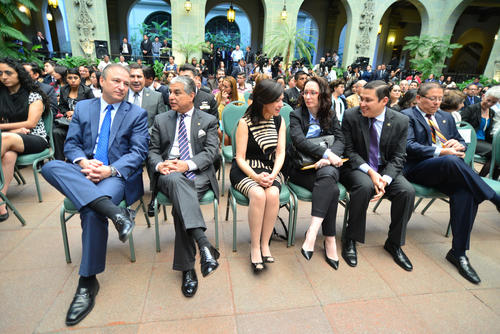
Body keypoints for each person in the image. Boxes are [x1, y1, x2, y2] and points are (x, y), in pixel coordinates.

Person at [41, 64, 149, 325]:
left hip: (114, 176)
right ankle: (117, 214)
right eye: (116, 81)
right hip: (84, 171)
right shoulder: (84, 108)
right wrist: (82, 162)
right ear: (101, 81)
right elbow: (71, 144)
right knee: (51, 166)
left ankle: (87, 282)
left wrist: (109, 170)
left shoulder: (137, 114)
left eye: (126, 82)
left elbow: (138, 153)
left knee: (91, 211)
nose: (123, 86)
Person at [402, 82, 500, 284]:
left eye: (440, 99)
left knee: (466, 192)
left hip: (446, 170)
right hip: (417, 169)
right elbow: (409, 146)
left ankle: (459, 253)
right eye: (432, 99)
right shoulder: (406, 116)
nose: (437, 103)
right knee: (450, 159)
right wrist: (440, 151)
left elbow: (459, 140)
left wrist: (459, 144)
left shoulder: (445, 117)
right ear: (419, 98)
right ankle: (495, 197)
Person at [148, 75, 220, 297]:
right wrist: (160, 166)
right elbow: (151, 151)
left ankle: (188, 268)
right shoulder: (161, 120)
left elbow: (210, 153)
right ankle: (204, 246)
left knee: (182, 201)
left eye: (177, 92)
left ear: (192, 95)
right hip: (168, 173)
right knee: (179, 185)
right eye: (170, 92)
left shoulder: (207, 120)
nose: (171, 96)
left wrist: (187, 164)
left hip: (197, 174)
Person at [340, 80, 415, 271]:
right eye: (361, 98)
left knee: (406, 191)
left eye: (368, 100)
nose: (362, 104)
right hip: (357, 167)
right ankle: (351, 239)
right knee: (364, 186)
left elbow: (399, 156)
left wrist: (386, 179)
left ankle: (394, 243)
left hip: (385, 169)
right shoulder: (351, 116)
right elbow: (349, 150)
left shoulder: (400, 121)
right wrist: (372, 173)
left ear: (384, 101)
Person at [288, 77, 345, 270]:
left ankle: (314, 233)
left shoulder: (329, 113)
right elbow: (298, 141)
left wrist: (328, 159)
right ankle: (329, 239)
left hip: (326, 167)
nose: (308, 96)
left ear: (323, 95)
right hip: (302, 168)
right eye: (305, 92)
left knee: (328, 176)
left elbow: (340, 138)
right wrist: (326, 154)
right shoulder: (296, 115)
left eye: (313, 92)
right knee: (333, 190)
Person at [230, 79, 286, 273]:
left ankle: (265, 244)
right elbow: (240, 158)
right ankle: (254, 247)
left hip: (271, 170)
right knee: (258, 195)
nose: (281, 105)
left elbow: (280, 153)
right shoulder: (244, 123)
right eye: (277, 100)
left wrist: (273, 174)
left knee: (272, 194)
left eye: (282, 99)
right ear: (264, 100)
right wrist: (255, 177)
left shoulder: (279, 120)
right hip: (246, 170)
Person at [0, 58, 50, 221]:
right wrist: (14, 130)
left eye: (8, 72)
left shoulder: (33, 95)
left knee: (6, 138)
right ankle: (1, 199)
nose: (4, 76)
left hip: (35, 138)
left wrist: (5, 128)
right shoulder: (1, 96)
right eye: (0, 73)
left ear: (19, 74)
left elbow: (30, 123)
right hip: (12, 139)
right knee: (8, 155)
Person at [54, 68, 95, 160]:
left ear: (80, 79)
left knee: (77, 134)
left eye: (75, 78)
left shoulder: (87, 90)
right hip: (67, 122)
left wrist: (76, 113)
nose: (73, 80)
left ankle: (76, 159)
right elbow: (61, 106)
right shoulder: (64, 89)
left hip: (83, 122)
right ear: (66, 79)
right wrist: (66, 113)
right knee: (56, 132)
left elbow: (92, 107)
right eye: (70, 78)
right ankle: (59, 160)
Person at [460, 86, 500, 177]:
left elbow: (489, 132)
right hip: (471, 140)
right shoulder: (471, 109)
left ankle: (487, 179)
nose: (490, 104)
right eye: (488, 100)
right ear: (483, 96)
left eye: (493, 102)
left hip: (484, 141)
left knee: (498, 152)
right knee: (496, 152)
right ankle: (480, 178)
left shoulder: (491, 112)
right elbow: (462, 126)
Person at [127, 63, 166, 130]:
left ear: (144, 78)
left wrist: (146, 136)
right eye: (132, 76)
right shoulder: (120, 96)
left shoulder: (156, 97)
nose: (136, 80)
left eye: (139, 77)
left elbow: (162, 122)